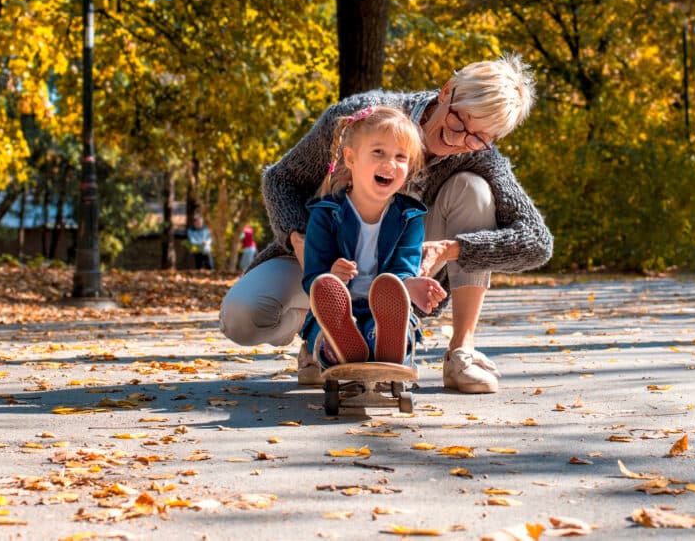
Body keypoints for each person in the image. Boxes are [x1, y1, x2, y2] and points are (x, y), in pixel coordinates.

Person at [219, 54, 553, 393]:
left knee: (474, 190)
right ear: (447, 91)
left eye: (478, 137)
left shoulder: (477, 152)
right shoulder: (361, 118)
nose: (458, 141)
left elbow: (537, 241)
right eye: (458, 123)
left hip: (399, 265)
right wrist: (303, 242)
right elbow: (280, 180)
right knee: (242, 318)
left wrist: (450, 249)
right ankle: (320, 335)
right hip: (323, 252)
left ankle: (460, 352)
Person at [300, 107, 446, 370]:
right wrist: (332, 275)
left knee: (397, 323)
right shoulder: (326, 215)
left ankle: (384, 341)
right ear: (351, 158)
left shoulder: (409, 217)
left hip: (386, 311)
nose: (390, 164)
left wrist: (411, 286)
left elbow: (402, 271)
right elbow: (313, 277)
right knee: (323, 326)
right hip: (338, 310)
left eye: (400, 157)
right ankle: (337, 347)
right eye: (378, 152)